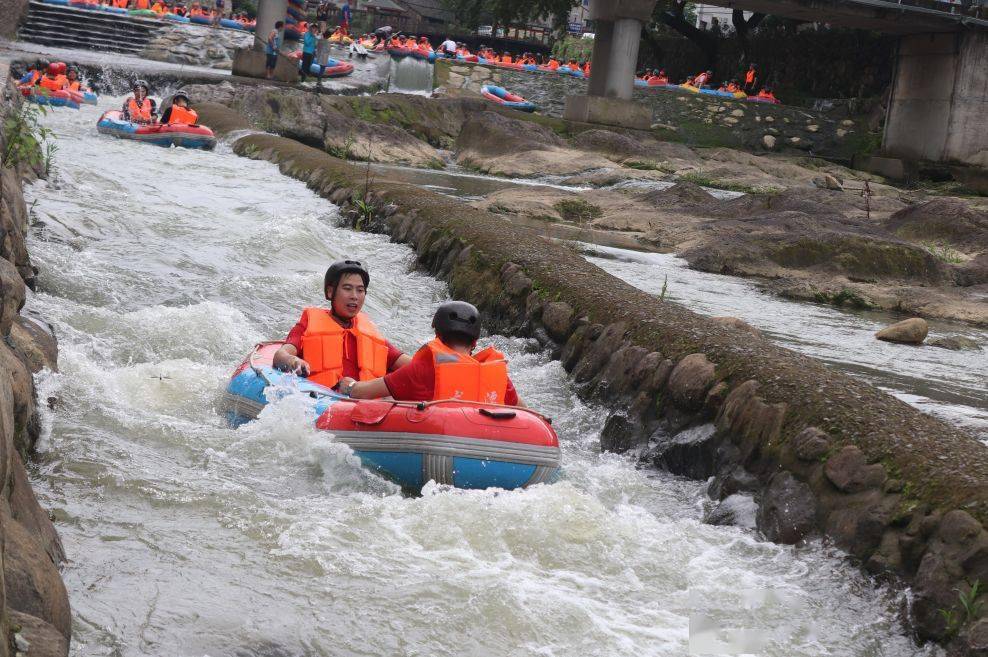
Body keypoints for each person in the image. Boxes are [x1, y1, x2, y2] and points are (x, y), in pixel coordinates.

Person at [340, 301, 521, 406]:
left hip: (436, 439)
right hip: (489, 444)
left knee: (386, 398)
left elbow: (362, 393)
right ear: (475, 342)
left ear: (437, 335)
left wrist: (349, 386)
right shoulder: (496, 375)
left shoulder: (423, 369)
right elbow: (530, 413)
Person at [272, 260, 412, 389]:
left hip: (363, 403)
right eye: (347, 288)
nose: (354, 296)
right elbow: (281, 355)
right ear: (330, 292)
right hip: (319, 399)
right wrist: (293, 362)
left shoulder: (370, 334)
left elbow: (411, 366)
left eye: (360, 290)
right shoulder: (308, 325)